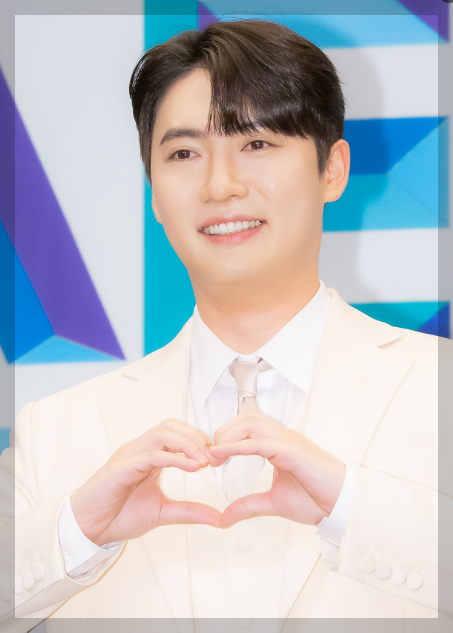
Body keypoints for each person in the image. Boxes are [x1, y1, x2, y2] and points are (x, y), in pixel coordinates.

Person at [0, 19, 449, 630]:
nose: (220, 186)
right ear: (154, 193)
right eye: (184, 154)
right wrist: (74, 534)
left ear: (333, 169)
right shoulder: (54, 432)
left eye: (257, 144)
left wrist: (353, 508)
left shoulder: (438, 386)